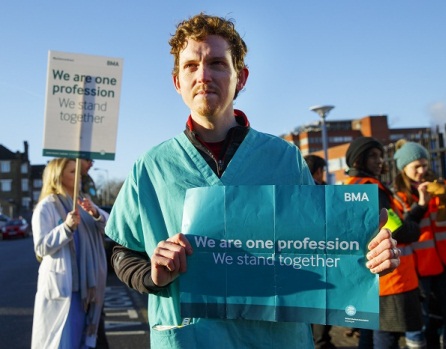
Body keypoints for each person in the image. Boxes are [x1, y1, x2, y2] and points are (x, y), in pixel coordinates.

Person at [105, 13, 400, 349]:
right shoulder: (151, 167)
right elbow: (121, 251)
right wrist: (152, 274)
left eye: (217, 63)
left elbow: (327, 248)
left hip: (274, 339)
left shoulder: (284, 159)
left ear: (240, 78)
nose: (203, 75)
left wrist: (371, 253)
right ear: (177, 82)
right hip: (189, 338)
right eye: (190, 66)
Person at [344, 137, 423, 349]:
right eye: (372, 156)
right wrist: (418, 214)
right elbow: (398, 230)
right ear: (358, 160)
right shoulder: (372, 189)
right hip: (389, 276)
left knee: (369, 336)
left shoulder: (351, 186)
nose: (379, 161)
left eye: (380, 156)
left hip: (366, 273)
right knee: (385, 336)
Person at [393, 140, 446, 349]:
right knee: (420, 323)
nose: (422, 170)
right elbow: (403, 230)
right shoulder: (399, 196)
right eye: (416, 166)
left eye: (425, 164)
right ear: (404, 168)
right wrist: (421, 204)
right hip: (418, 267)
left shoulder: (441, 185)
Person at [31, 158, 108, 349]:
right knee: (65, 342)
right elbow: (41, 247)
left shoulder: (82, 202)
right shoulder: (46, 206)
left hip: (88, 290)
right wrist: (66, 228)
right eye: (72, 172)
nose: (79, 177)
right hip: (66, 288)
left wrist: (95, 213)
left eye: (77, 172)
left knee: (85, 341)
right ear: (58, 176)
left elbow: (111, 227)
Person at [304, 154, 335, 349]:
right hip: (324, 256)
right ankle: (322, 342)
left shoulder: (294, 190)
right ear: (318, 171)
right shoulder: (323, 191)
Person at [80, 158, 110, 349]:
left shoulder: (84, 192)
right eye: (87, 160)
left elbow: (108, 224)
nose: (91, 164)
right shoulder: (52, 203)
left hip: (93, 283)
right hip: (75, 285)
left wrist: (96, 213)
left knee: (97, 336)